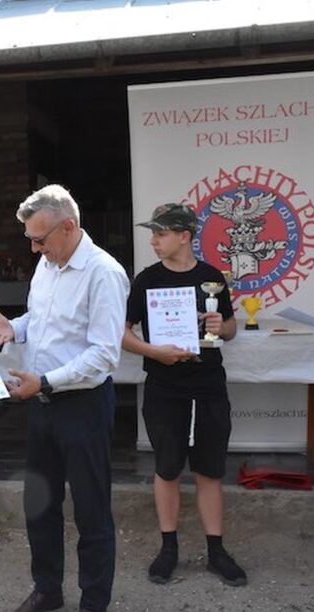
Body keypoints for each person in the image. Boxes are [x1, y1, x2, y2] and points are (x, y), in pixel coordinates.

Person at [0, 184, 129, 612]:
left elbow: (104, 355)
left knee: (91, 509)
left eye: (40, 238)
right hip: (42, 402)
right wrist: (15, 326)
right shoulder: (46, 266)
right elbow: (41, 318)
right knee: (40, 505)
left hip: (82, 405)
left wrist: (45, 383)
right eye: (30, 239)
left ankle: (94, 609)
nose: (34, 248)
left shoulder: (104, 274)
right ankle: (48, 590)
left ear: (69, 227)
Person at [121, 203, 245, 587]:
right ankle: (168, 547)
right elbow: (122, 333)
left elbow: (230, 328)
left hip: (208, 384)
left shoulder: (212, 278)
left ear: (185, 236)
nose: (154, 241)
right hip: (164, 386)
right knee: (167, 467)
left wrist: (219, 325)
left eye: (160, 233)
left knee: (209, 469)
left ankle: (216, 550)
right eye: (153, 234)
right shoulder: (145, 280)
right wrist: (154, 351)